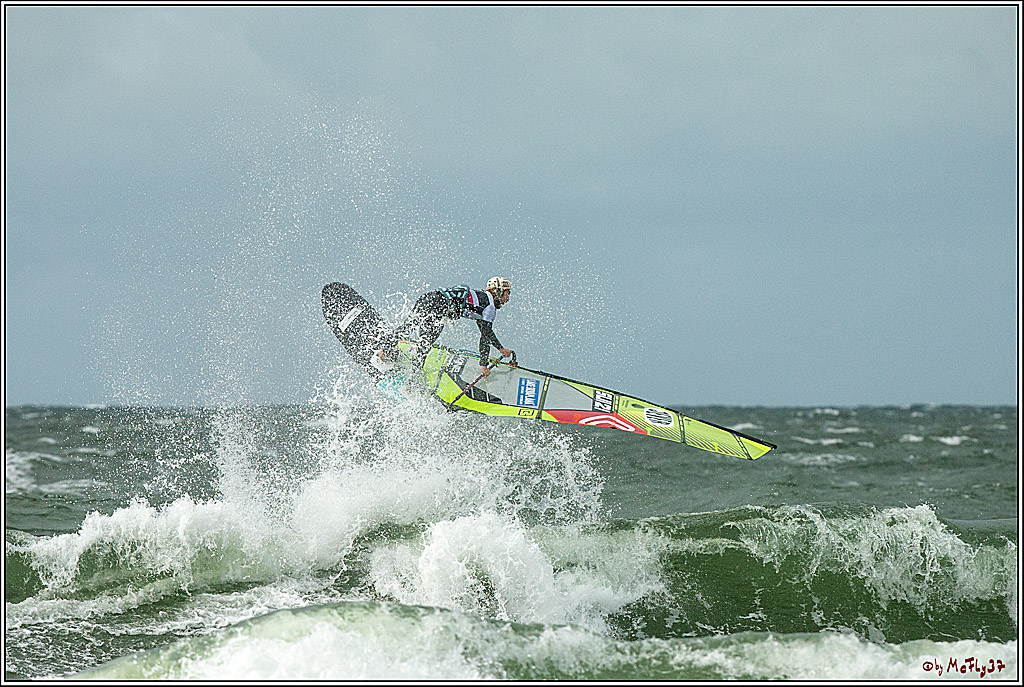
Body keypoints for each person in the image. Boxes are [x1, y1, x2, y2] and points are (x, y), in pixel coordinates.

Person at [381, 277, 514, 377]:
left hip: (430, 297)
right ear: (498, 291)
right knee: (425, 344)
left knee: (409, 328)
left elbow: (486, 333)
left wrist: (500, 348)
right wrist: (484, 365)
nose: (507, 299)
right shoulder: (489, 307)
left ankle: (384, 349)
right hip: (439, 306)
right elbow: (485, 337)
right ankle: (412, 382)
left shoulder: (482, 299)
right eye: (507, 294)